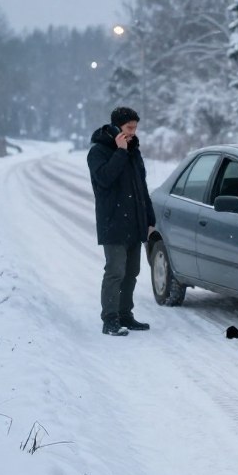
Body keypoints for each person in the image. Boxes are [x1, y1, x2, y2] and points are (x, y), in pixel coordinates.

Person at [87, 106, 156, 336]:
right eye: (129, 128)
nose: (133, 132)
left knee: (132, 272)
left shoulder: (133, 150)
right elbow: (104, 179)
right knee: (115, 271)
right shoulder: (98, 152)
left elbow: (142, 187)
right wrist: (120, 152)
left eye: (136, 127)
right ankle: (110, 320)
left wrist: (149, 218)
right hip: (113, 222)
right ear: (117, 127)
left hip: (134, 222)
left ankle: (126, 315)